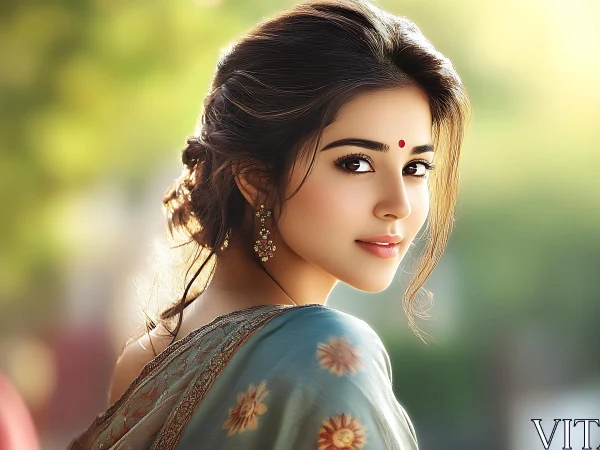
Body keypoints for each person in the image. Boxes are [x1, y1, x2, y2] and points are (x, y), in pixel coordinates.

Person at [68, 0, 470, 447]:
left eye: (416, 168)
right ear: (256, 178)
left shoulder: (143, 361)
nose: (397, 204)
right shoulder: (330, 356)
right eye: (356, 163)